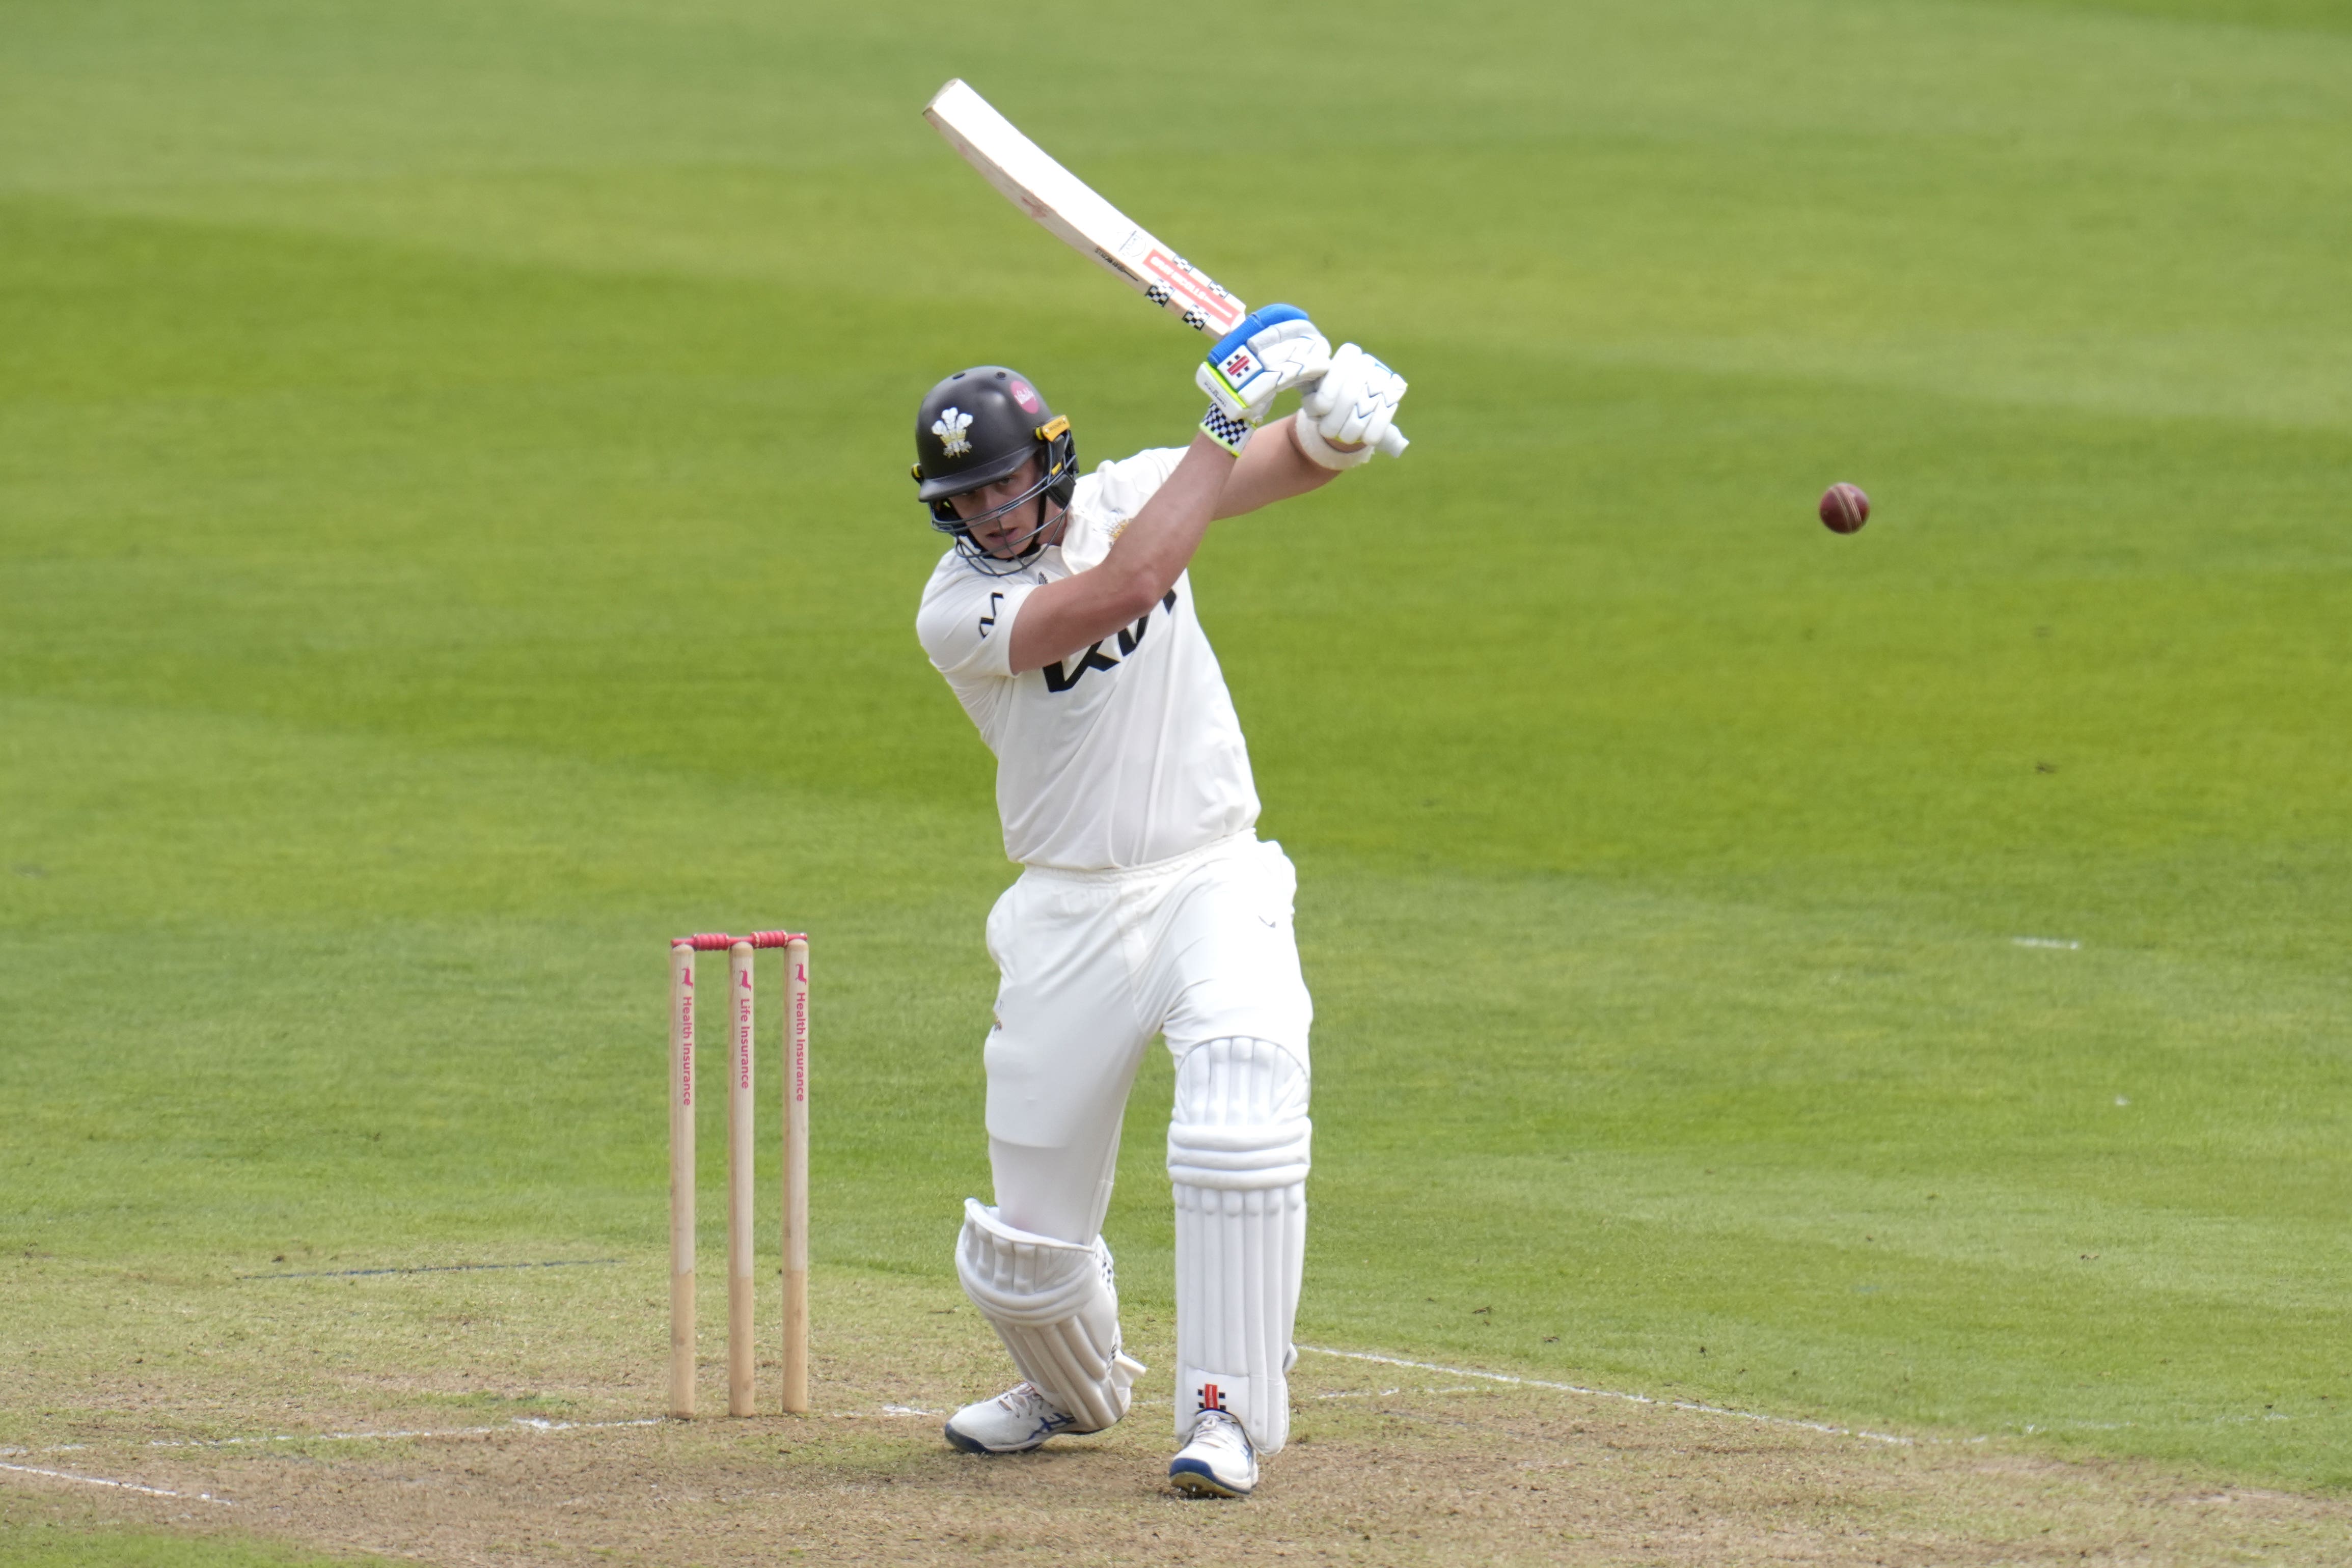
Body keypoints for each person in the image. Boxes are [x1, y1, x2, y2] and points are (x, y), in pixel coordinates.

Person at [910, 308, 1407, 1498]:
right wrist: (1227, 411)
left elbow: (1269, 469)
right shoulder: (954, 611)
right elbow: (1137, 578)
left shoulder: (1127, 489)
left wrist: (1331, 428)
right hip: (1067, 912)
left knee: (1237, 1108)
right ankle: (1070, 1392)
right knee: (1023, 1259)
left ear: (1052, 462)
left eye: (1006, 485)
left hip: (1209, 874)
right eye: (966, 497)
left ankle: (1228, 1411)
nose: (989, 512)